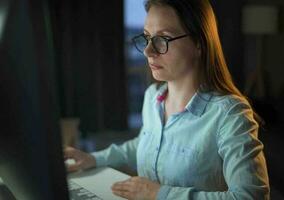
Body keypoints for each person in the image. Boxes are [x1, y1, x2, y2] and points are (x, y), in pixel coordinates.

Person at [64, 0, 270, 199]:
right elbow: (146, 144)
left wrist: (157, 194)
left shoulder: (230, 114)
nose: (148, 51)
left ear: (199, 42)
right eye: (146, 37)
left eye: (163, 38)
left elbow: (251, 196)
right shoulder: (153, 97)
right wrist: (94, 159)